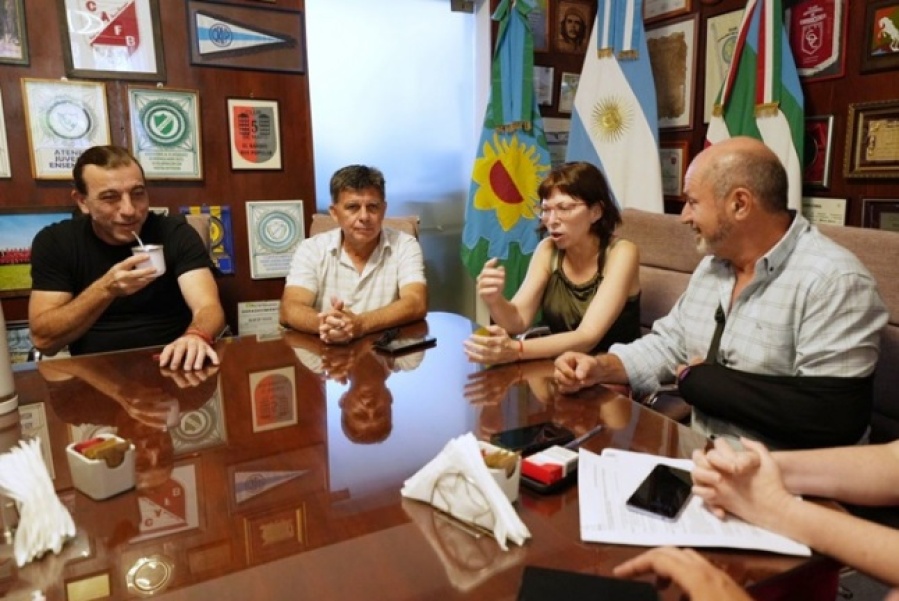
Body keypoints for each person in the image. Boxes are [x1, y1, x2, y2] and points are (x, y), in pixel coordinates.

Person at [554, 137, 888, 449]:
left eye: (692, 202)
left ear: (739, 204)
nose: (684, 217)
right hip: (699, 456)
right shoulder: (712, 268)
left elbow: (828, 417)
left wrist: (704, 382)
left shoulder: (834, 281)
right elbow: (670, 345)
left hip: (781, 478)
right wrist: (599, 367)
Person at [29, 145, 225, 370]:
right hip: (96, 373)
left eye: (137, 193)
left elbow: (208, 307)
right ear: (82, 201)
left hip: (174, 364)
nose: (129, 210)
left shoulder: (175, 233)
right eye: (110, 197)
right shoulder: (56, 242)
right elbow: (44, 341)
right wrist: (105, 289)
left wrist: (196, 336)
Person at [464, 161, 640, 366]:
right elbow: (518, 320)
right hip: (560, 366)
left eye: (564, 208)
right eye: (545, 209)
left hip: (610, 370)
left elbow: (587, 337)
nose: (551, 220)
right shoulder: (548, 249)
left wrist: (517, 350)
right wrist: (495, 300)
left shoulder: (622, 252)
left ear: (596, 212)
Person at [280, 164, 427, 344]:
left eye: (372, 207)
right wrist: (328, 325)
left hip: (383, 352)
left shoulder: (405, 245)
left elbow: (416, 302)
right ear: (334, 213)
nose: (364, 217)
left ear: (383, 210)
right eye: (353, 207)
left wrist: (361, 324)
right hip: (327, 352)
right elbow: (290, 308)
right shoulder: (311, 248)